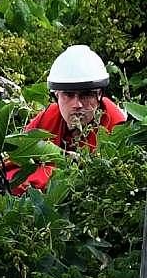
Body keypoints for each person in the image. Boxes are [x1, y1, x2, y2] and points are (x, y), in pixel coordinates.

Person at [7, 44, 126, 195]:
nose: (77, 104)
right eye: (68, 95)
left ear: (99, 95)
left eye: (86, 95)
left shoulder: (116, 125)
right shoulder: (47, 118)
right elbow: (11, 166)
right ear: (56, 95)